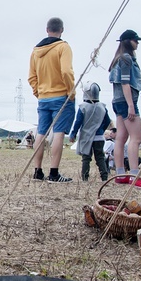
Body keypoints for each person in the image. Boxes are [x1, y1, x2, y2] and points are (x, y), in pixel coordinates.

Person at [28, 17, 75, 182]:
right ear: (62, 30)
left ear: (47, 30)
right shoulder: (63, 47)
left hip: (43, 97)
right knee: (59, 133)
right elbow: (66, 72)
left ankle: (37, 171)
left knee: (41, 133)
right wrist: (71, 91)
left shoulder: (35, 51)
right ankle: (54, 173)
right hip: (61, 95)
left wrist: (38, 92)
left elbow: (31, 77)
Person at [108, 29, 141, 186]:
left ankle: (120, 174)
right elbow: (125, 83)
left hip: (117, 101)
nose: (137, 43)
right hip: (126, 102)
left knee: (121, 138)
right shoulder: (126, 59)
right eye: (135, 40)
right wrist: (131, 105)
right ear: (128, 41)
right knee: (137, 138)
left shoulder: (118, 59)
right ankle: (135, 176)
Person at [68, 82, 111, 181]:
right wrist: (101, 130)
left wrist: (73, 134)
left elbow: (78, 122)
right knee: (100, 158)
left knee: (86, 158)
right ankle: (104, 178)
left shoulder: (83, 107)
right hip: (99, 137)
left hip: (87, 137)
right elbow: (107, 121)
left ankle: (85, 178)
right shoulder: (102, 107)